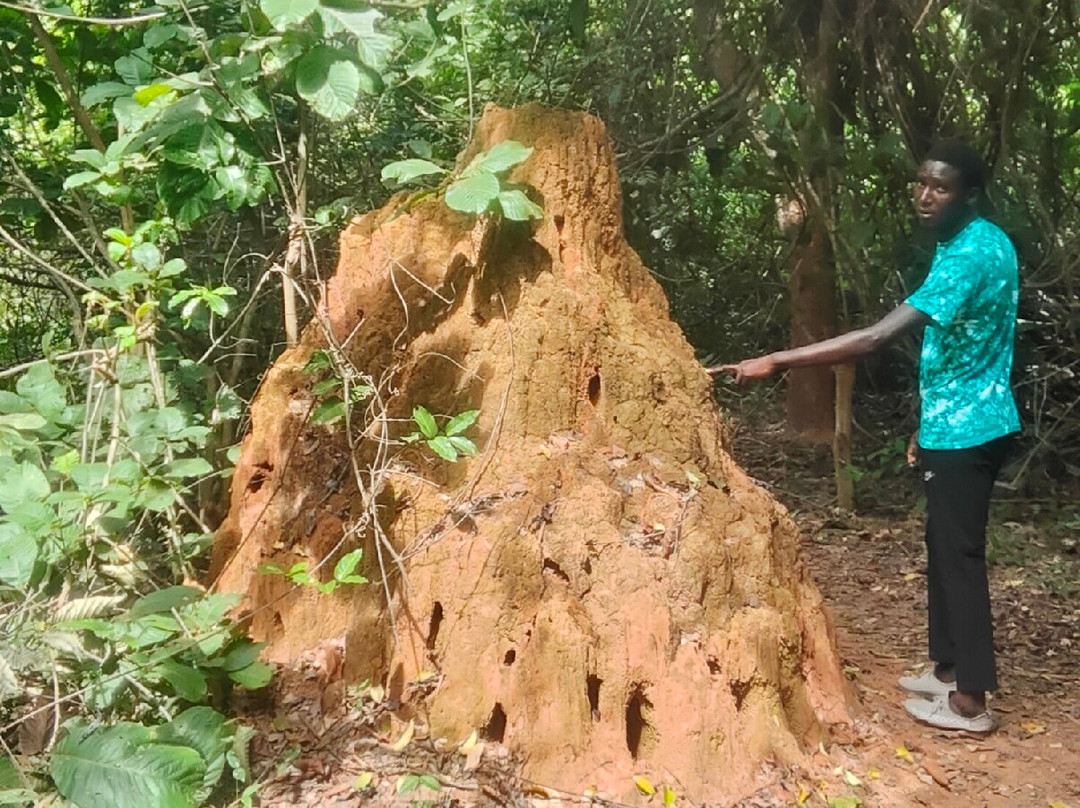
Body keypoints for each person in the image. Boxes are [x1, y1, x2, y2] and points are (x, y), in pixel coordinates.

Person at [710, 139, 1020, 732]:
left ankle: (971, 702)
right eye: (922, 183)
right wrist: (924, 423)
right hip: (956, 421)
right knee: (942, 545)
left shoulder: (971, 255)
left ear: (970, 196)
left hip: (970, 430)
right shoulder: (978, 241)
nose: (925, 196)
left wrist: (778, 360)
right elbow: (965, 348)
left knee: (959, 556)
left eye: (941, 187)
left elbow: (876, 338)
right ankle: (948, 669)